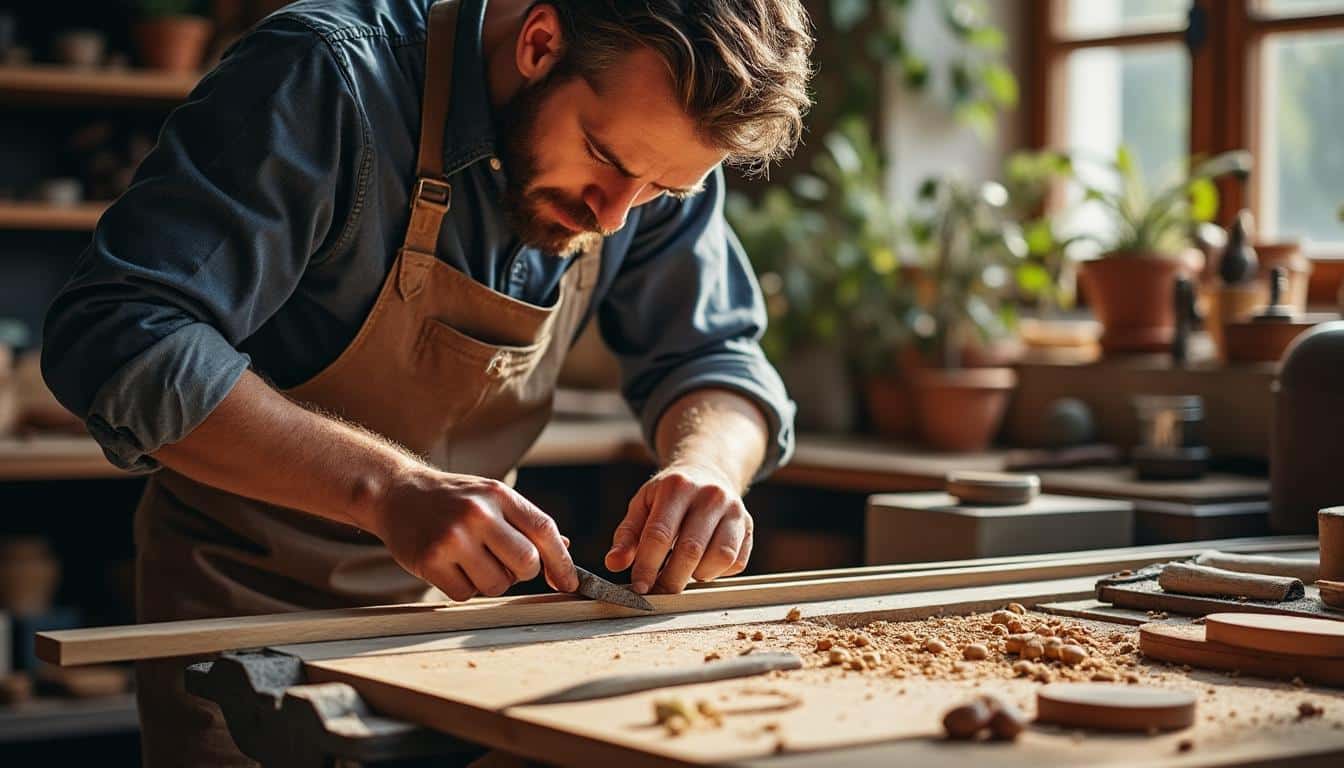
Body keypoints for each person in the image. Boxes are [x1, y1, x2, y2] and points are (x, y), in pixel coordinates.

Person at [41, 0, 812, 764]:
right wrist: (387, 490)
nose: (613, 217)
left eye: (659, 191)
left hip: (458, 633)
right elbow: (122, 335)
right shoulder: (328, 76)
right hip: (245, 623)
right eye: (604, 158)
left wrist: (708, 466)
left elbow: (717, 357)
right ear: (540, 43)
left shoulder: (648, 151)